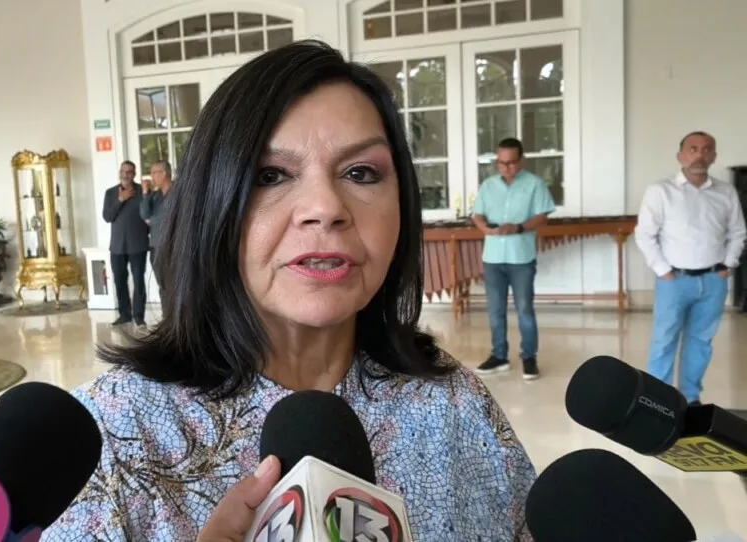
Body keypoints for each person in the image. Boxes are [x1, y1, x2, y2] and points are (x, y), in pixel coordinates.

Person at [41, 40, 535, 541]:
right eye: (271, 175)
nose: (326, 208)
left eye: (361, 173)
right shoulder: (105, 437)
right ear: (212, 202)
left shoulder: (455, 404)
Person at [634, 131, 746, 405]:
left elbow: (738, 232)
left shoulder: (726, 192)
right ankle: (658, 401)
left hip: (713, 280)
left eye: (706, 149)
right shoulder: (661, 191)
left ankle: (690, 397)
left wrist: (727, 265)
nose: (699, 155)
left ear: (714, 156)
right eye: (693, 149)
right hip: (674, 280)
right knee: (664, 341)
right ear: (680, 155)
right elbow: (645, 234)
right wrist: (663, 270)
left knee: (701, 342)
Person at [471, 137, 555, 381]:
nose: (506, 168)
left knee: (524, 309)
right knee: (495, 310)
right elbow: (477, 214)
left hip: (521, 258)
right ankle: (499, 356)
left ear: (521, 160)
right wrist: (484, 228)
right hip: (493, 257)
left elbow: (542, 216)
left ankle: (529, 357)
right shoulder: (488, 186)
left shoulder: (535, 184)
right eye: (501, 163)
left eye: (511, 163)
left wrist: (518, 227)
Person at [102, 160, 150, 327]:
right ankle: (125, 315)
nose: (125, 174)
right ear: (119, 172)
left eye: (129, 172)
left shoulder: (143, 191)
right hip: (117, 246)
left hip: (138, 245)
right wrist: (120, 200)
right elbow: (107, 217)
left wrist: (144, 233)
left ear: (134, 174)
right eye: (123, 171)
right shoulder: (110, 193)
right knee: (119, 281)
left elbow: (148, 215)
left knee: (138, 281)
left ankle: (138, 316)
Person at [139, 159, 172, 311]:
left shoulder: (179, 192)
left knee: (176, 285)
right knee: (162, 285)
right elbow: (144, 214)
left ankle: (179, 319)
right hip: (156, 246)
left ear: (164, 173)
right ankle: (167, 318)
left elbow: (169, 217)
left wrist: (152, 221)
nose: (151, 177)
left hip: (173, 246)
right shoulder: (155, 195)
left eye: (154, 173)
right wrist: (145, 194)